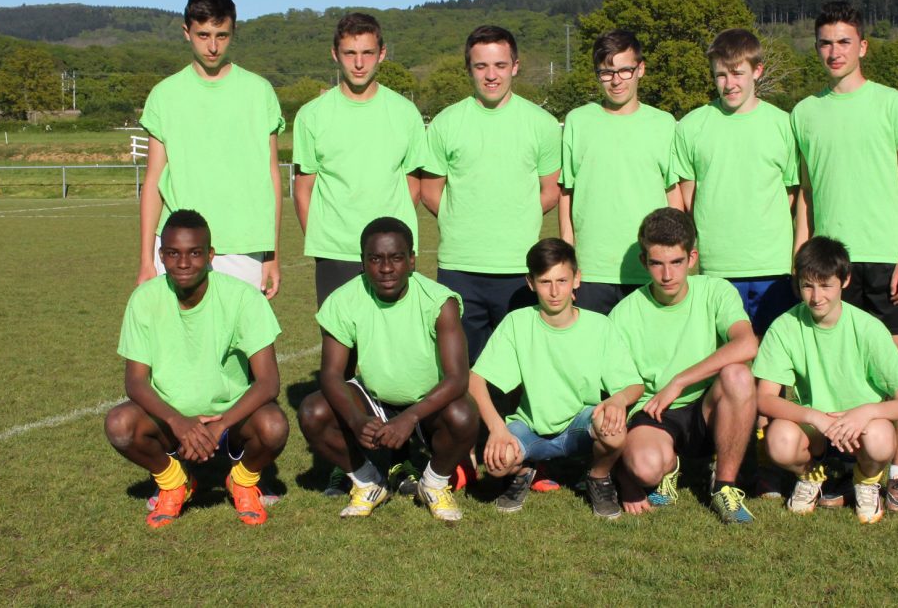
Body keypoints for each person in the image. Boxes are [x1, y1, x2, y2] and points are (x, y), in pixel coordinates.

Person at [792, 1, 898, 513]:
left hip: (889, 260)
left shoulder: (894, 105)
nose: (834, 51)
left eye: (844, 41)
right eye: (825, 42)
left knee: (897, 369)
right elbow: (804, 194)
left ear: (863, 46)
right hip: (828, 266)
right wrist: (799, 258)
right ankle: (844, 471)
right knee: (835, 367)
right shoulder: (805, 112)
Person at [105, 210, 289, 529]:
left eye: (194, 253)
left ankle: (242, 481)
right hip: (170, 418)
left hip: (231, 417)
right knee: (120, 424)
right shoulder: (144, 299)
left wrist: (221, 425)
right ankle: (175, 482)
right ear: (161, 256)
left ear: (210, 255)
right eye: (173, 253)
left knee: (273, 426)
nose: (184, 263)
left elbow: (268, 382)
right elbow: (135, 382)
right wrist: (177, 420)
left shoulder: (243, 298)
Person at [297, 217, 479, 521]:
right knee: (313, 411)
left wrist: (410, 417)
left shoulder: (438, 301)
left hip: (425, 402)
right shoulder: (344, 300)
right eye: (375, 259)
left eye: (396, 258)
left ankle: (433, 484)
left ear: (411, 261)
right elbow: (331, 373)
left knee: (463, 415)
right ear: (363, 262)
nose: (385, 268)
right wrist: (355, 420)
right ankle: (368, 482)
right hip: (373, 397)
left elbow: (458, 378)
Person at [469, 238, 644, 518]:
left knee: (613, 429)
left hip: (580, 426)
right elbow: (475, 380)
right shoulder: (518, 322)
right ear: (530, 282)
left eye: (562, 281)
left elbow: (634, 384)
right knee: (496, 465)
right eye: (545, 282)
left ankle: (598, 477)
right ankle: (526, 469)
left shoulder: (599, 326)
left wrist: (618, 400)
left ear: (577, 279)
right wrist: (497, 428)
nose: (554, 292)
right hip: (530, 428)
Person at [752, 236, 898, 524]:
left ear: (844, 280)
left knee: (881, 437)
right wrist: (814, 417)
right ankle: (811, 475)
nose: (816, 297)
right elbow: (764, 398)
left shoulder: (868, 328)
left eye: (826, 285)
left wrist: (866, 412)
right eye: (808, 286)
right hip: (815, 429)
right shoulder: (784, 326)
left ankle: (866, 480)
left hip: (860, 430)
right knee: (778, 439)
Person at [609, 208, 760, 524]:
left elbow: (747, 344)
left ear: (692, 258)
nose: (667, 275)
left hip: (707, 407)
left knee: (739, 374)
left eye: (676, 263)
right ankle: (666, 467)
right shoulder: (623, 314)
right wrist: (624, 478)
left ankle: (724, 487)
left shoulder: (715, 291)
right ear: (644, 262)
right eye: (657, 263)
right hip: (654, 412)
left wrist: (679, 380)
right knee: (644, 468)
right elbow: (617, 392)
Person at [421, 26, 562, 363]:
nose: (491, 75)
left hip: (519, 268)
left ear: (515, 66)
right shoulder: (446, 122)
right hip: (459, 268)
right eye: (481, 66)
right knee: (463, 369)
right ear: (469, 69)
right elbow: (429, 192)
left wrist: (514, 218)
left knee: (518, 366)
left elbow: (550, 191)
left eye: (500, 65)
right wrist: (465, 220)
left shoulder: (541, 123)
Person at [136, 0, 284, 297]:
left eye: (222, 35)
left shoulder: (259, 92)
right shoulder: (164, 95)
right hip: (179, 246)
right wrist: (146, 259)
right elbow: (153, 181)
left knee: (241, 345)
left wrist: (272, 253)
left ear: (234, 31)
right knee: (177, 344)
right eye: (203, 35)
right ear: (186, 32)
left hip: (245, 245)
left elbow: (272, 175)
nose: (213, 46)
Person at [293, 13, 426, 308]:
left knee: (391, 347)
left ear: (382, 54)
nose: (358, 63)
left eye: (367, 53)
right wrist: (324, 243)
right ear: (335, 55)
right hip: (335, 253)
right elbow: (304, 190)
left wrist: (394, 239)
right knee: (340, 349)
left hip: (393, 253)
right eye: (350, 53)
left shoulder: (405, 113)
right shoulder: (311, 115)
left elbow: (413, 184)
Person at [674, 29, 798, 336]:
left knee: (774, 366)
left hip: (773, 267)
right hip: (717, 267)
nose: (729, 84)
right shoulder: (692, 126)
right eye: (720, 75)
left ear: (757, 71)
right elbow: (689, 198)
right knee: (728, 368)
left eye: (737, 73)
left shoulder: (783, 125)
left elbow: (791, 193)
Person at [559, 30, 681, 315]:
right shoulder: (578, 121)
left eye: (625, 70)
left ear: (641, 69)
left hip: (648, 269)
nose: (616, 80)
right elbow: (567, 193)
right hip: (591, 271)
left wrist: (673, 258)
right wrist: (568, 259)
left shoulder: (664, 124)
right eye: (606, 72)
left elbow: (673, 195)